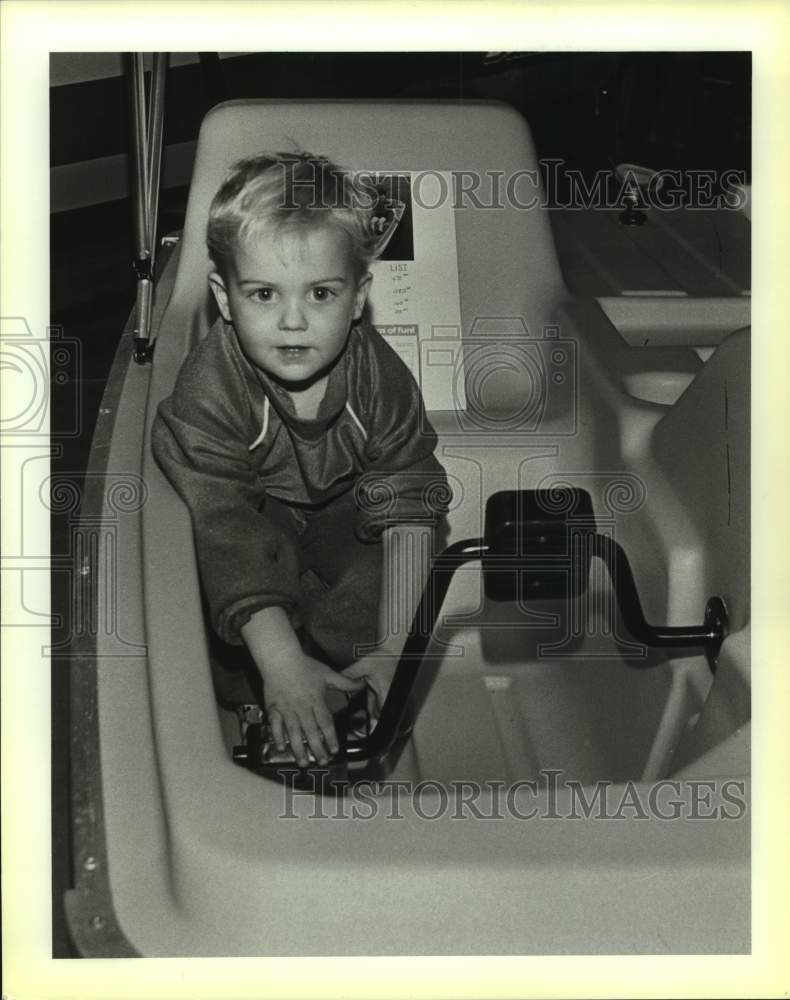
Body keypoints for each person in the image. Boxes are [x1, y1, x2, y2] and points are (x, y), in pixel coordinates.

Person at [152, 151, 451, 767]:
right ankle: (269, 692)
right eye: (263, 293)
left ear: (359, 296)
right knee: (223, 606)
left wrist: (397, 645)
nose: (292, 321)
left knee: (389, 556)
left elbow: (411, 501)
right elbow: (225, 525)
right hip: (255, 511)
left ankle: (353, 675)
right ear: (225, 298)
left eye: (320, 293)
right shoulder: (210, 389)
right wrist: (281, 662)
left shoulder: (379, 377)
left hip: (342, 507)